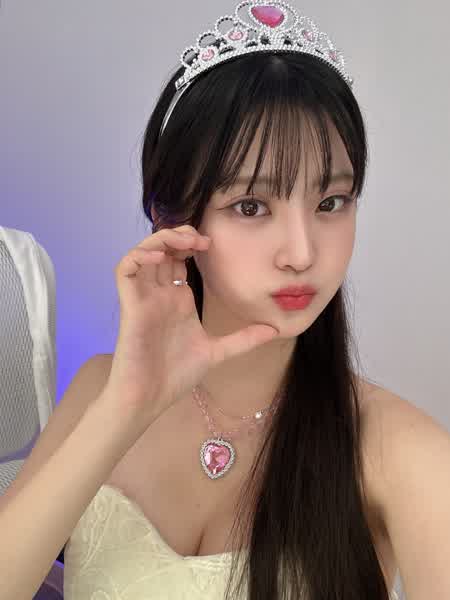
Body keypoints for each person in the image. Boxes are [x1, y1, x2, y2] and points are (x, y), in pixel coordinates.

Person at [0, 1, 409, 598]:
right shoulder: (99, 390)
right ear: (173, 220)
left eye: (331, 203)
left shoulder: (391, 444)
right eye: (252, 206)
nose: (302, 252)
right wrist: (126, 408)